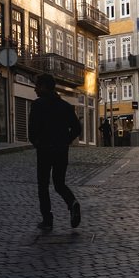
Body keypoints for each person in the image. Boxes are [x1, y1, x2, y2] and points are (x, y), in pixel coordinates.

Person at [28, 73, 81, 231]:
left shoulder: (38, 105)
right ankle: (72, 202)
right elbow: (77, 128)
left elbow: (32, 130)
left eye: (37, 85)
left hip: (44, 150)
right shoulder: (64, 106)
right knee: (59, 183)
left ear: (44, 86)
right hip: (60, 150)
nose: (35, 88)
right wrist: (66, 140)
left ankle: (47, 219)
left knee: (43, 185)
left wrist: (36, 142)